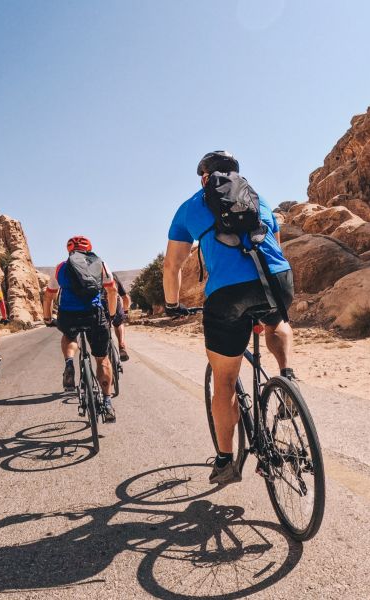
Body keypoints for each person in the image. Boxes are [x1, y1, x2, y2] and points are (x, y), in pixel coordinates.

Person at [163, 151, 296, 485]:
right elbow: (276, 246)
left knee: (223, 381)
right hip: (276, 278)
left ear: (204, 176)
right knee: (276, 320)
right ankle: (287, 377)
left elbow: (172, 266)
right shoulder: (257, 197)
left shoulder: (191, 205)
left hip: (227, 294)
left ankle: (225, 462)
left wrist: (172, 304)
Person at [42, 236, 120, 422]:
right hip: (94, 314)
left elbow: (49, 295)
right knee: (102, 359)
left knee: (69, 337)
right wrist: (109, 315)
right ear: (89, 248)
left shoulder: (61, 267)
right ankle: (107, 402)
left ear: (69, 250)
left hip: (68, 314)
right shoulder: (100, 264)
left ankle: (69, 363)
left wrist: (47, 317)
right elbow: (113, 291)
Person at [111, 279, 132, 362]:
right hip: (114, 302)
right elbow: (125, 297)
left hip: (98, 304)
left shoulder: (88, 273)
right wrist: (125, 311)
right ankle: (122, 344)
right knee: (119, 322)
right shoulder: (111, 276)